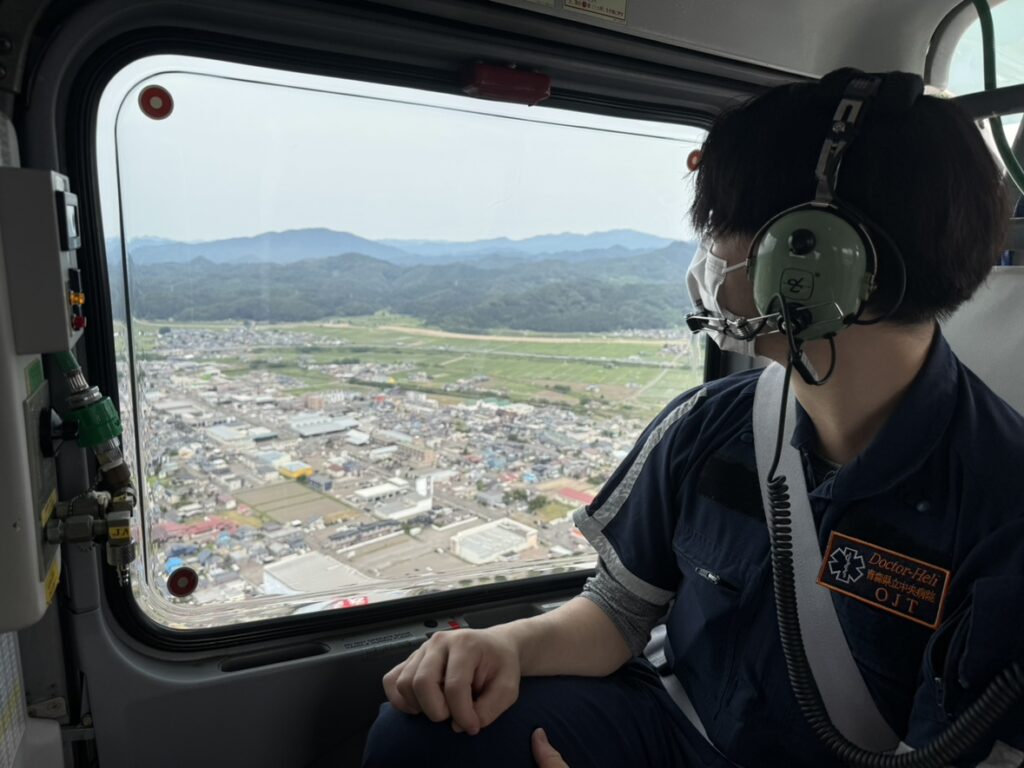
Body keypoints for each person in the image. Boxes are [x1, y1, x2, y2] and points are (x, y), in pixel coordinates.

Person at [361, 68, 1024, 767]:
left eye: (720, 229)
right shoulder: (710, 425)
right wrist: (505, 644)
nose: (707, 258)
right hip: (678, 727)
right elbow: (618, 613)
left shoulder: (1004, 509)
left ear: (814, 257)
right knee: (423, 738)